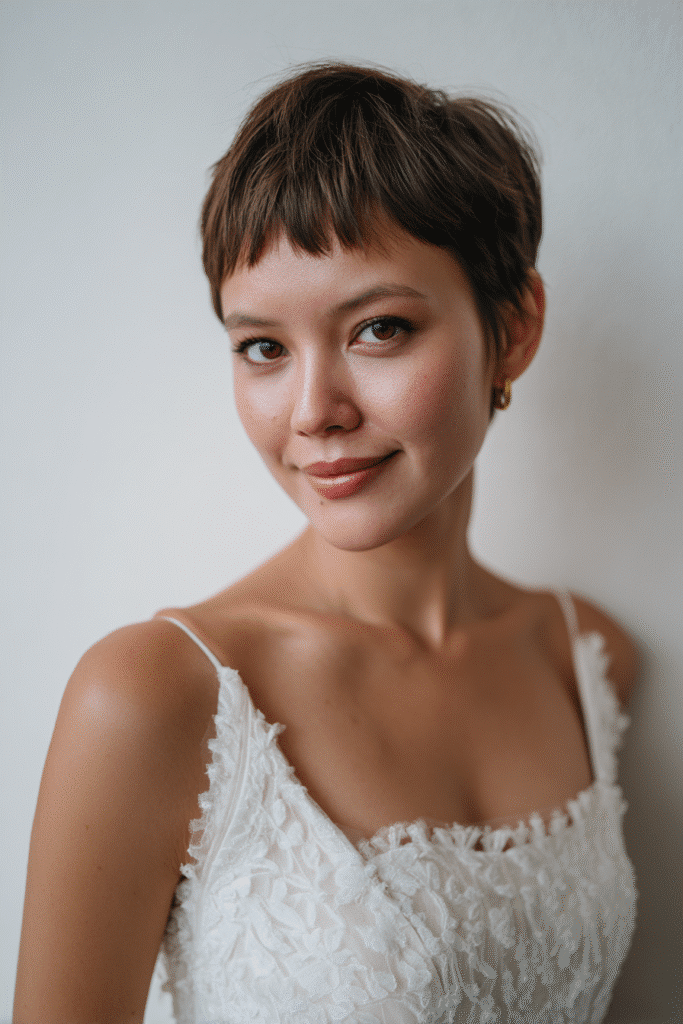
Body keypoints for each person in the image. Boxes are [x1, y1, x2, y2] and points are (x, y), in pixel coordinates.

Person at [14, 62, 639, 1023]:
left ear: (512, 329)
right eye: (262, 347)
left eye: (378, 329)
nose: (313, 413)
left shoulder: (586, 657)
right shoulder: (153, 696)